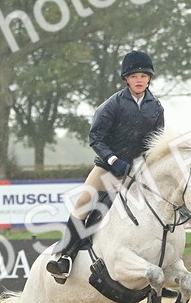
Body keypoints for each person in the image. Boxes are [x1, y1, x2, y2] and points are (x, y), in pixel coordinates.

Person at [46, 50, 164, 282]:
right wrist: (113, 160)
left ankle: (160, 262)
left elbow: (156, 141)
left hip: (137, 171)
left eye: (143, 76)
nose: (139, 80)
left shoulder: (156, 107)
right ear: (126, 79)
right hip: (108, 168)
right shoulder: (113, 104)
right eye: (134, 76)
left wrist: (145, 165)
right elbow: (96, 138)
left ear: (149, 78)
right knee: (84, 203)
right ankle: (65, 257)